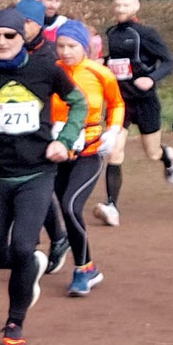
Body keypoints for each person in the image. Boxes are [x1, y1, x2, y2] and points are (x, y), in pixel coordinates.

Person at [0, 6, 85, 345]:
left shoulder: (45, 69)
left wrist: (65, 139)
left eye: (9, 35)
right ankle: (34, 266)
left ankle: (14, 323)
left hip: (37, 172)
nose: (1, 41)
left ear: (22, 38)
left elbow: (78, 102)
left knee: (23, 246)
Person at [47, 25, 121, 298]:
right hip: (57, 150)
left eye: (72, 46)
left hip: (89, 150)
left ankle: (82, 269)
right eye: (61, 46)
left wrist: (112, 131)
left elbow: (116, 104)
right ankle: (87, 266)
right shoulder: (51, 71)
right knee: (62, 207)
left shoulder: (100, 73)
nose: (66, 52)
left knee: (70, 205)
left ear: (84, 48)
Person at [99, 0, 173, 223]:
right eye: (117, 5)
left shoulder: (146, 33)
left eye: (125, 5)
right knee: (114, 151)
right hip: (120, 101)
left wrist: (151, 78)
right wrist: (101, 62)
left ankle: (167, 156)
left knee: (151, 152)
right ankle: (111, 206)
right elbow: (116, 61)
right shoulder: (111, 32)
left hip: (145, 101)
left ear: (136, 7)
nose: (120, 9)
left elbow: (169, 61)